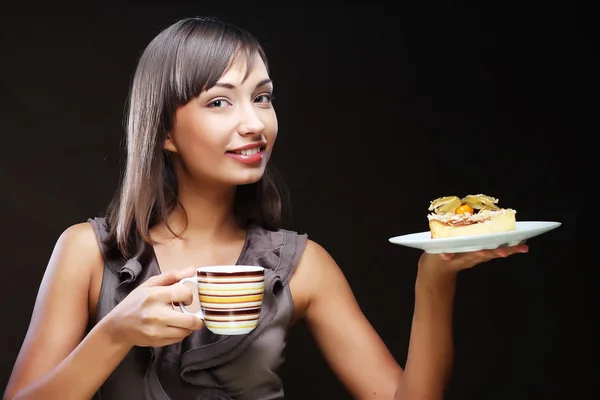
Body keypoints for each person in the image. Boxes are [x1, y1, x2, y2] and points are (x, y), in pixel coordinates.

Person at [3, 17, 528, 400]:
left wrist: (434, 281)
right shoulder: (90, 253)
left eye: (263, 97)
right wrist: (115, 332)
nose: (255, 123)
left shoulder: (302, 266)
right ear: (164, 131)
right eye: (219, 101)